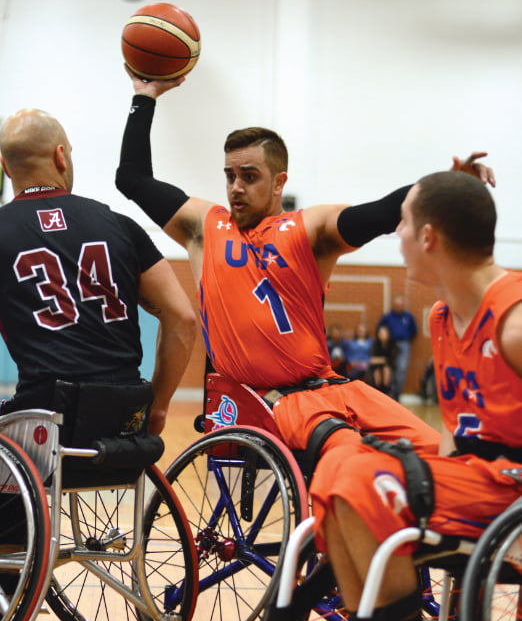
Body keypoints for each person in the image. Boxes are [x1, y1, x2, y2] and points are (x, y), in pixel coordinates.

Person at [115, 71, 494, 466]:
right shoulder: (204, 227)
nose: (236, 187)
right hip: (273, 400)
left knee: (442, 452)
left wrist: (447, 186)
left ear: (279, 183)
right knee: (351, 460)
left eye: (249, 176)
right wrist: (145, 96)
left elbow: (381, 212)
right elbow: (133, 178)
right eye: (229, 176)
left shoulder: (307, 230)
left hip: (333, 388)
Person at [299, 170, 522, 621]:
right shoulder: (442, 318)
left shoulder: (515, 321)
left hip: (511, 497)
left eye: (402, 222)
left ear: (428, 238)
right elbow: (454, 436)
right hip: (474, 484)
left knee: (363, 479)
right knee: (335, 474)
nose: (394, 233)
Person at [0, 107, 196, 435]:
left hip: (45, 416)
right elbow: (184, 319)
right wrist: (158, 407)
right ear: (61, 156)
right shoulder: (120, 225)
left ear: (5, 168)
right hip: (125, 414)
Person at [377, 293, 417, 400]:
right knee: (390, 368)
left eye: (400, 304)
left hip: (404, 344)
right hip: (391, 345)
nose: (399, 306)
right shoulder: (388, 317)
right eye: (396, 304)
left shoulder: (408, 317)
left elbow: (414, 331)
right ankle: (390, 393)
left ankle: (397, 393)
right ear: (393, 305)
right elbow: (380, 329)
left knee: (402, 368)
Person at [369, 324, 396, 393]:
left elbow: (391, 359)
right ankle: (378, 391)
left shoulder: (392, 344)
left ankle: (386, 391)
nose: (382, 335)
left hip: (389, 365)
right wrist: (383, 359)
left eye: (384, 333)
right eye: (380, 333)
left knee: (386, 369)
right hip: (376, 366)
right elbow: (372, 360)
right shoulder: (376, 344)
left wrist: (381, 360)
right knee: (377, 371)